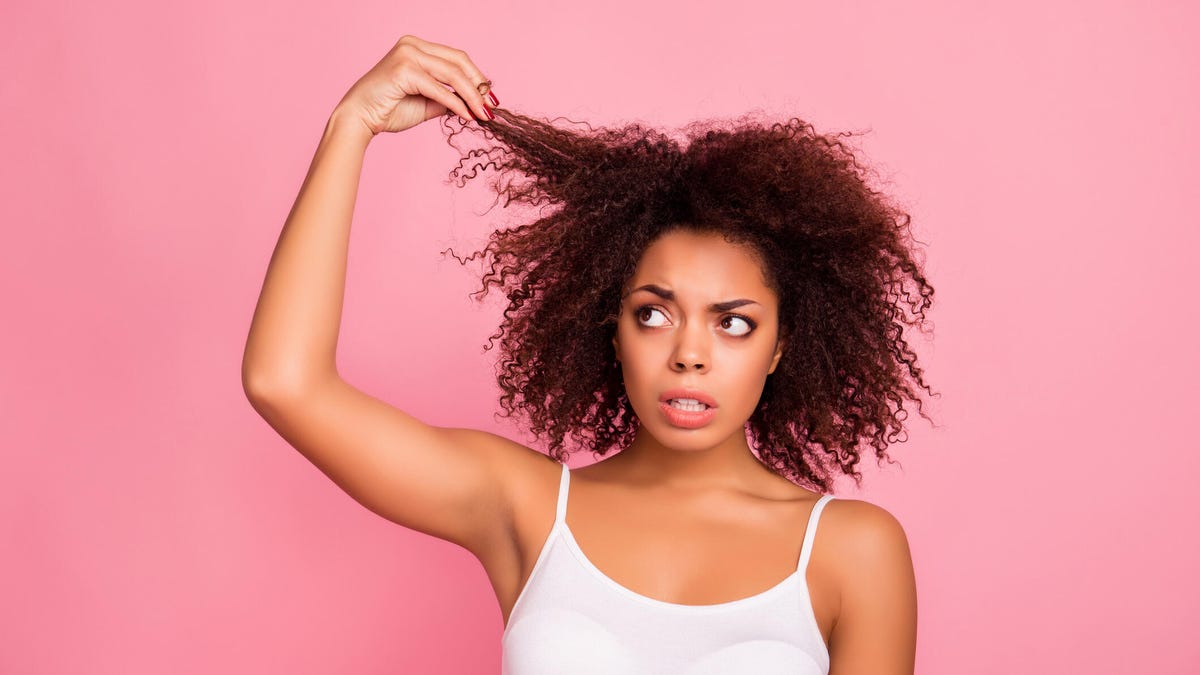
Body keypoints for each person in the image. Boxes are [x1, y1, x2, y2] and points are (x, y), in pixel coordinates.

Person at [242, 34, 935, 674]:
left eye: (732, 324)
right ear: (613, 329)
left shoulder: (852, 550)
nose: (689, 353)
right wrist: (352, 124)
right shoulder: (529, 510)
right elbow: (285, 381)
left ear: (781, 346)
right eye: (654, 313)